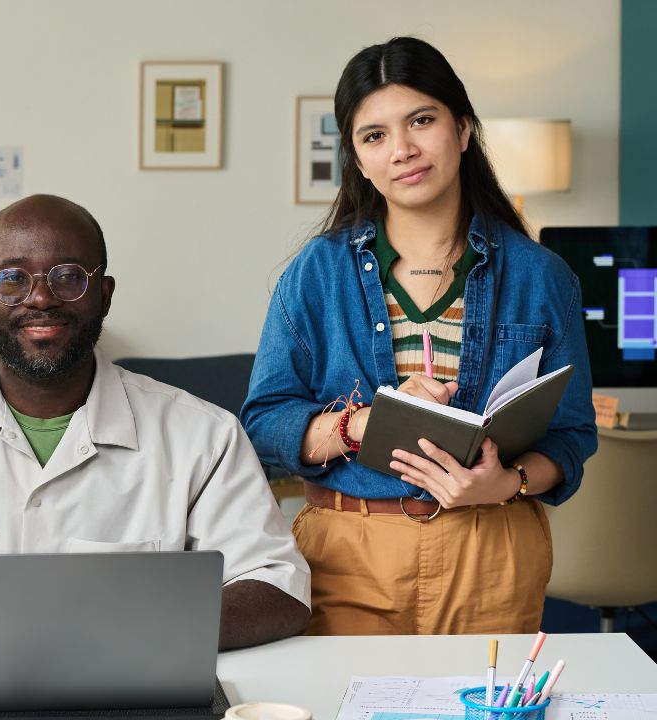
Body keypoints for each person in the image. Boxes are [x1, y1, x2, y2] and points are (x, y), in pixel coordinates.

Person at [0, 194, 311, 654]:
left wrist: (123, 638)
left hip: (132, 693)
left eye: (68, 278)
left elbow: (278, 588)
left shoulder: (203, 436)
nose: (41, 298)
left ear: (104, 295)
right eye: (12, 279)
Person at [240, 37, 596, 636]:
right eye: (373, 135)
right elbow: (263, 425)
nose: (401, 150)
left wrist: (508, 482)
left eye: (421, 121)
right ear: (356, 156)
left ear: (462, 130)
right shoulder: (316, 273)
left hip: (493, 551)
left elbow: (572, 435)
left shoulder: (541, 274)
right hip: (347, 553)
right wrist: (357, 427)